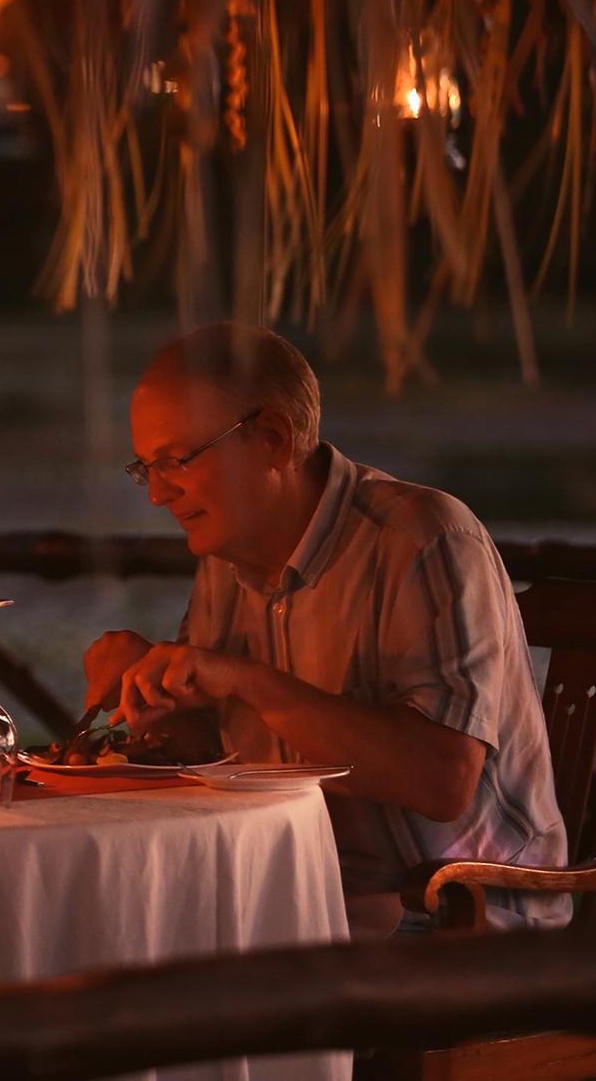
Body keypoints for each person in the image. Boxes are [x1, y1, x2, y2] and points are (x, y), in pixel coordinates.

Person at [84, 324, 568, 934]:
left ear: (271, 439)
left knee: (152, 986)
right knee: (93, 938)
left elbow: (442, 781)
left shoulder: (424, 538)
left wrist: (246, 681)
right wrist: (154, 687)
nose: (156, 494)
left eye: (175, 461)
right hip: (302, 901)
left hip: (460, 920)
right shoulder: (226, 559)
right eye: (145, 468)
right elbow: (215, 755)